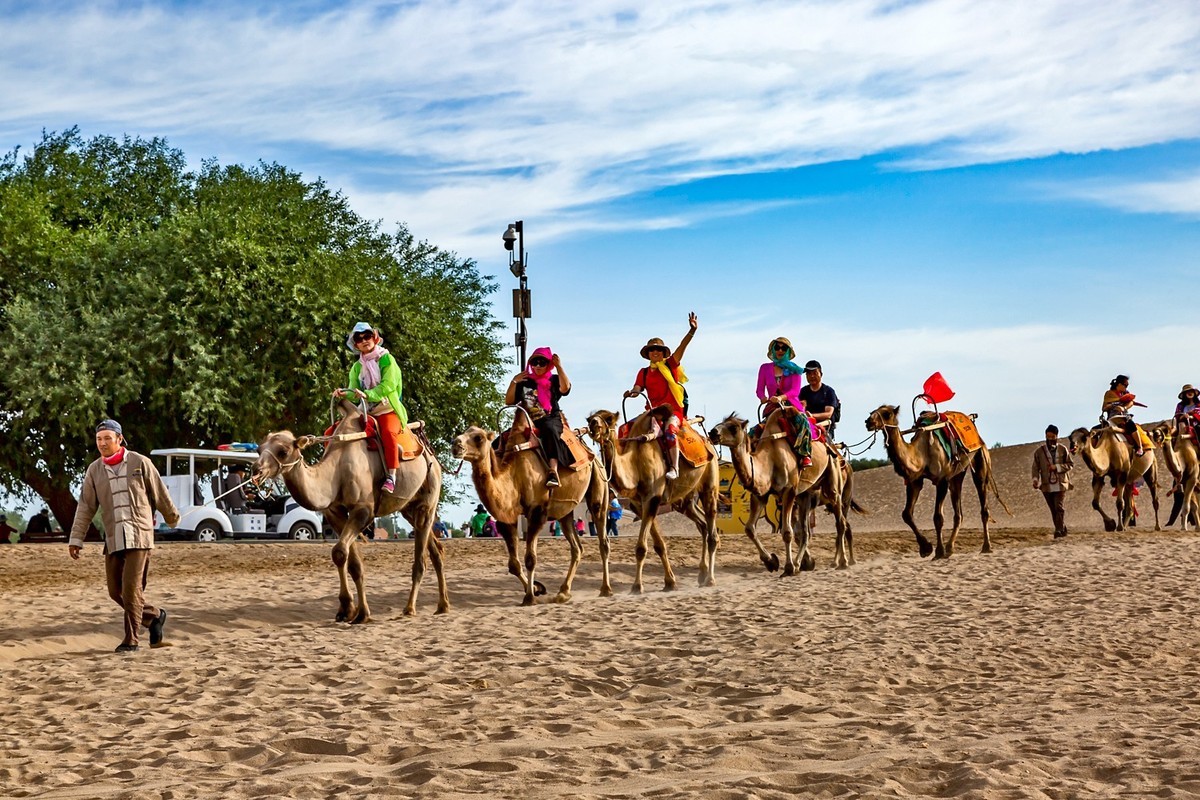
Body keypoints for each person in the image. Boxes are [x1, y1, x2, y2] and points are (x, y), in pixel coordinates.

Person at [68, 420, 181, 653]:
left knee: (131, 590)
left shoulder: (141, 463)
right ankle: (154, 616)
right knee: (115, 591)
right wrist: (76, 539)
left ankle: (131, 640)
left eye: (107, 438)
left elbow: (160, 493)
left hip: (140, 536)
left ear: (120, 439)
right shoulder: (94, 470)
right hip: (113, 537)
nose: (102, 443)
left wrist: (173, 518)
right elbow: (86, 506)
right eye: (99, 439)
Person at [335, 322, 408, 494]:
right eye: (359, 339)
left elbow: (389, 385)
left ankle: (391, 476)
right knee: (334, 431)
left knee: (388, 433)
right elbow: (354, 392)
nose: (364, 340)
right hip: (366, 411)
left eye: (366, 335)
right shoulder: (357, 367)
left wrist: (368, 394)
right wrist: (344, 393)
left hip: (387, 409)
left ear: (374, 337)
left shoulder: (386, 359)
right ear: (356, 345)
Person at [624, 313, 698, 479]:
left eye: (658, 349)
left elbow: (682, 347)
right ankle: (624, 468)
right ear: (648, 353)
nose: (655, 352)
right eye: (652, 350)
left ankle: (674, 467)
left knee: (670, 432)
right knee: (625, 430)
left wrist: (691, 331)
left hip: (672, 412)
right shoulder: (643, 372)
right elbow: (637, 389)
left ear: (663, 353)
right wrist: (632, 393)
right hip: (652, 412)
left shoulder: (670, 365)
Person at [504, 347, 574, 488]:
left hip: (550, 418)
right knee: (502, 439)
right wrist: (514, 382)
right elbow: (509, 401)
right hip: (528, 420)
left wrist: (559, 367)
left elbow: (565, 389)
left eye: (542, 363)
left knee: (550, 430)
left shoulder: (554, 380)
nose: (537, 366)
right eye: (534, 362)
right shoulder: (524, 382)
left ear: (549, 364)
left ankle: (553, 471)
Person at [756, 337, 815, 467]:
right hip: (772, 407)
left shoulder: (795, 370)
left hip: (791, 406)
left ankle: (805, 455)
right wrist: (762, 397)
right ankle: (752, 460)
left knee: (803, 423)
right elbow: (759, 389)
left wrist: (781, 398)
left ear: (788, 351)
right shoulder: (764, 368)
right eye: (777, 347)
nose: (780, 350)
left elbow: (795, 391)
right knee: (755, 432)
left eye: (784, 348)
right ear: (773, 349)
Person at [1032, 424, 1074, 539]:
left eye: (1052, 437)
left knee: (1059, 507)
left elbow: (1070, 464)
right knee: (1053, 509)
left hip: (1060, 484)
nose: (1050, 439)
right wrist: (1035, 480)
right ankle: (1062, 527)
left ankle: (1058, 530)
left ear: (1057, 436)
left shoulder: (1063, 449)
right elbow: (1035, 467)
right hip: (1046, 485)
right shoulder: (1039, 452)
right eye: (1048, 437)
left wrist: (1057, 467)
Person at [800, 360, 840, 440]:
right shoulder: (803, 391)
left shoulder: (828, 391)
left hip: (825, 428)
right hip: (806, 426)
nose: (812, 376)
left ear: (821, 374)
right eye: (809, 374)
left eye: (815, 373)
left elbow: (828, 414)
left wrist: (811, 416)